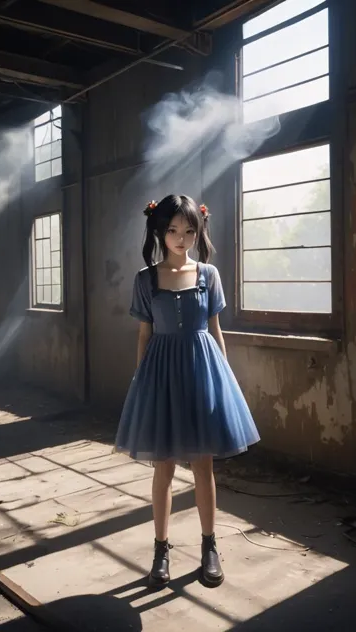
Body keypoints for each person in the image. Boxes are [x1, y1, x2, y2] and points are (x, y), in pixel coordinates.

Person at [114, 195, 260, 589]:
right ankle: (161, 550)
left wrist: (223, 378)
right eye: (174, 230)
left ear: (198, 230)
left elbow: (215, 330)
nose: (182, 237)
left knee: (202, 465)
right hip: (160, 375)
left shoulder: (208, 275)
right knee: (162, 465)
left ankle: (209, 547)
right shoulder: (145, 280)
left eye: (189, 230)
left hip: (202, 371)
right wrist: (143, 382)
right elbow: (144, 335)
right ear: (160, 231)